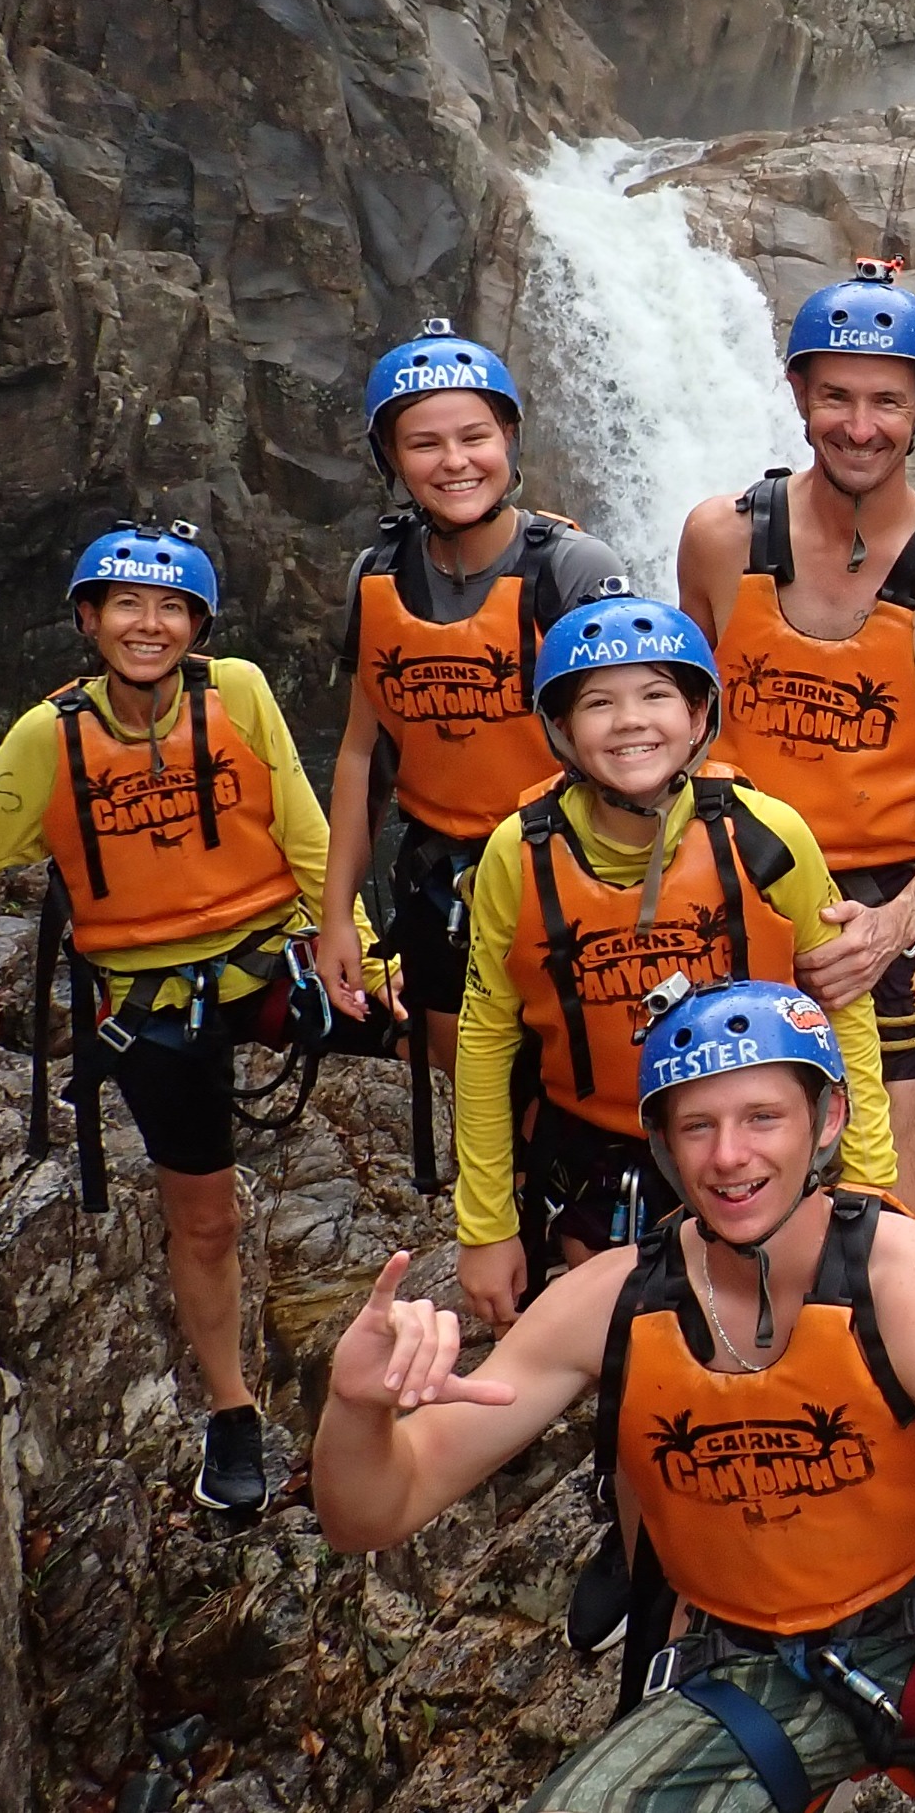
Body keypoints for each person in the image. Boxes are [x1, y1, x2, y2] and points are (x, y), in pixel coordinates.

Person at [314, 979, 915, 1813]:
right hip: (741, 1669)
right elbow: (373, 1512)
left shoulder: (913, 1288)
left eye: (762, 1118)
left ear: (825, 1123)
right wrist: (358, 1406)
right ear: (664, 1146)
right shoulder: (608, 1304)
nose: (729, 1157)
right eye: (698, 1126)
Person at [0, 520, 381, 1512]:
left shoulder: (243, 697)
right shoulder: (49, 738)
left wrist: (368, 954)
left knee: (454, 1030)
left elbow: (307, 832)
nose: (150, 624)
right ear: (90, 621)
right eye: (127, 606)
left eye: (172, 607)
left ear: (199, 625)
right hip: (151, 1003)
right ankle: (232, 1415)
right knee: (206, 1218)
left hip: (272, 966)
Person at [451, 582, 904, 1652]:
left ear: (701, 714)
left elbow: (841, 1006)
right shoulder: (520, 855)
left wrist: (869, 1171)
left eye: (656, 695)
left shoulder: (765, 835)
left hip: (757, 1145)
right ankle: (644, 1541)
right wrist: (485, 1224)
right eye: (598, 704)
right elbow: (486, 1033)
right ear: (559, 729)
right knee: (632, 1362)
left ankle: (807, 1538)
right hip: (597, 1150)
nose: (631, 723)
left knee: (786, 1341)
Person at [677, 262, 915, 1219]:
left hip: (879, 900)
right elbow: (676, 728)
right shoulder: (718, 539)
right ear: (797, 394)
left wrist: (895, 925)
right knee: (724, 1181)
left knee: (887, 1208)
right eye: (835, 396)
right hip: (731, 883)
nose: (859, 425)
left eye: (885, 401)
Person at [318, 318, 624, 1193]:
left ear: (509, 441)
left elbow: (642, 733)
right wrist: (340, 915)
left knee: (579, 1090)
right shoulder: (374, 574)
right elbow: (362, 752)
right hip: (440, 875)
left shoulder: (572, 568)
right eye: (425, 443)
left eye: (474, 437)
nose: (454, 462)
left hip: (564, 870)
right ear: (392, 459)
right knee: (479, 1090)